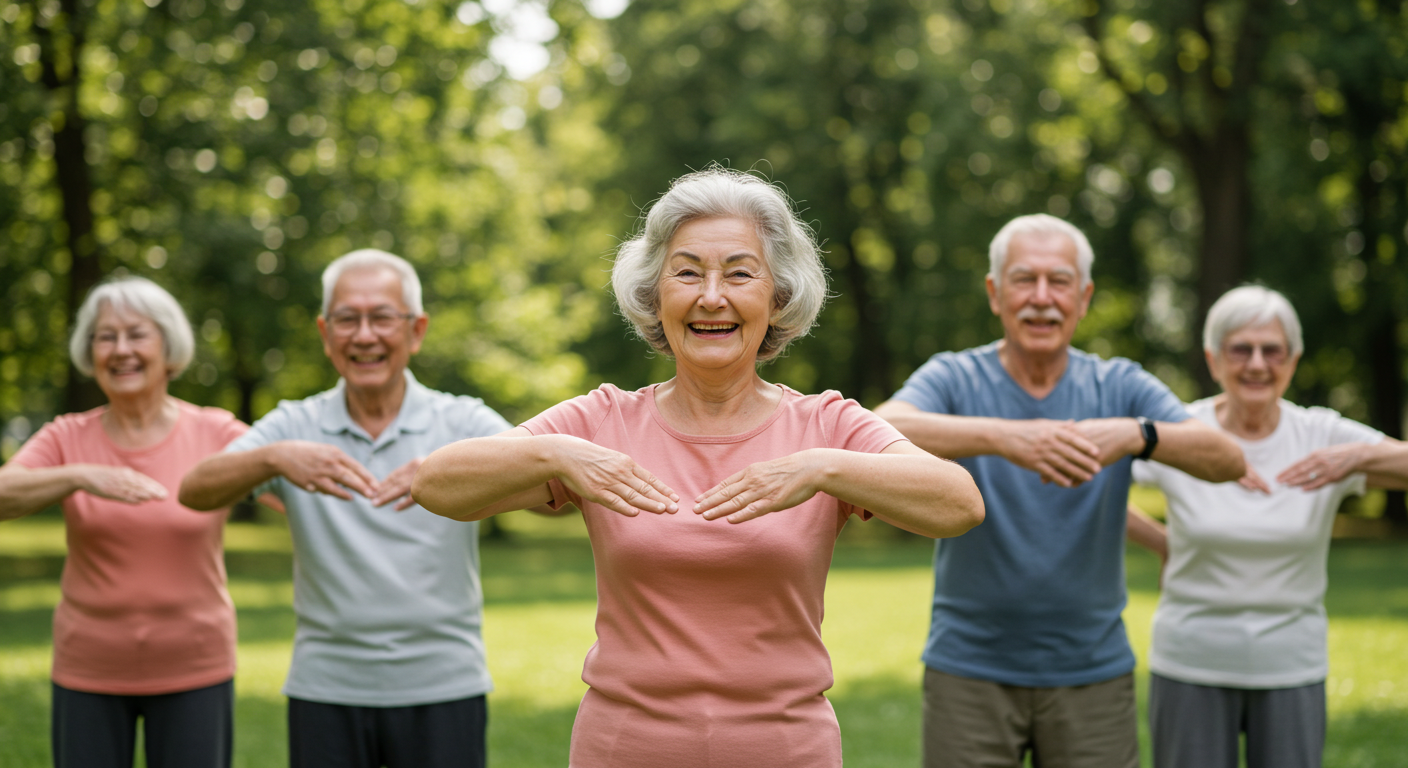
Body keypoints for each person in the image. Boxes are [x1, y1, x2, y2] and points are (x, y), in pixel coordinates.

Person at [411, 168, 985, 768]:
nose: (712, 296)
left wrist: (821, 469)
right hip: (622, 750)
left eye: (740, 273)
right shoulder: (603, 420)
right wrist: (557, 452)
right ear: (655, 295)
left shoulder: (826, 426)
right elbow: (436, 484)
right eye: (687, 272)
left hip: (787, 751)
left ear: (778, 295)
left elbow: (959, 503)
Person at [872, 213, 1246, 768]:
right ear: (995, 294)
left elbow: (1226, 458)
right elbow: (883, 425)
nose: (1042, 298)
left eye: (1060, 281)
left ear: (1085, 297)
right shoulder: (955, 377)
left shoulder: (1118, 385)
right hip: (969, 671)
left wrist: (1134, 434)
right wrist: (1007, 438)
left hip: (1092, 674)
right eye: (1024, 280)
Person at [179, 250, 527, 768]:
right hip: (326, 686)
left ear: (416, 330)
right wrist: (273, 458)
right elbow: (194, 489)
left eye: (382, 317)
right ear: (325, 332)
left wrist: (451, 470)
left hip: (444, 683)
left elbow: (555, 494)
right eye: (347, 319)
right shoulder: (294, 425)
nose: (364, 335)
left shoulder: (462, 421)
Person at [1125, 285, 1408, 768]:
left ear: (1292, 361)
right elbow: (1093, 486)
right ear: (1214, 360)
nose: (1257, 364)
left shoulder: (1322, 433)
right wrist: (1160, 540)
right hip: (1190, 661)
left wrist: (1362, 455)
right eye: (1241, 349)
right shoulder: (1183, 430)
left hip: (1291, 666)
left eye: (1272, 350)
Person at [0, 277, 248, 768]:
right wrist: (78, 476)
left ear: (168, 347)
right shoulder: (67, 436)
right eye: (104, 336)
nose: (120, 349)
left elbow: (289, 484)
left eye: (137, 334)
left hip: (196, 667)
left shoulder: (215, 431)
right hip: (88, 670)